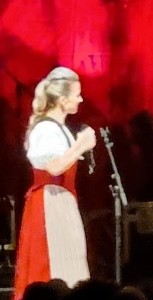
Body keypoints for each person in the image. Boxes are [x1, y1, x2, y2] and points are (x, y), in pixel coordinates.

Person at [14, 67, 96, 300]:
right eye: (76, 94)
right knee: (52, 263)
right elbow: (53, 166)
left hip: (62, 201)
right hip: (49, 203)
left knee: (70, 262)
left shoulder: (59, 129)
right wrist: (81, 145)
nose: (80, 99)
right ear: (62, 100)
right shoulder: (45, 129)